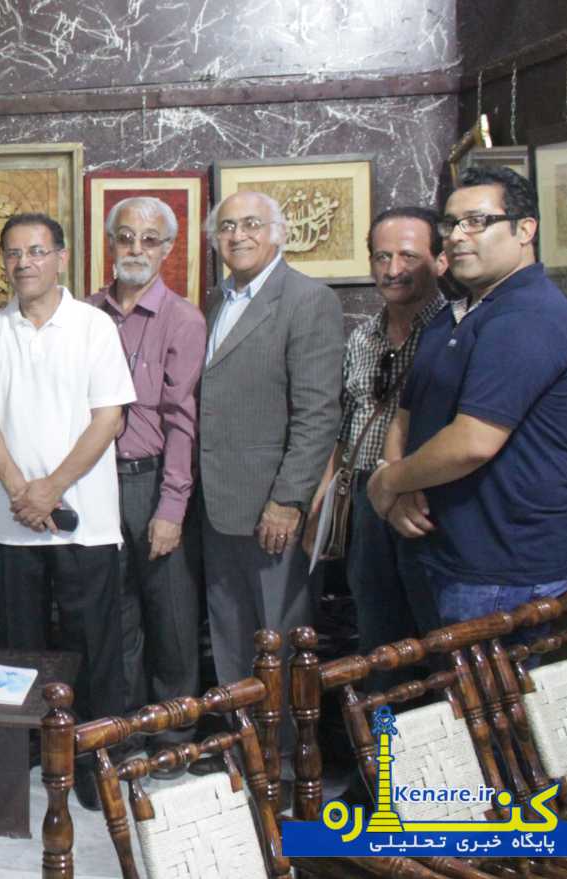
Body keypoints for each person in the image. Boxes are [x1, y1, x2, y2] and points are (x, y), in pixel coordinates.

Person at [0, 213, 134, 810]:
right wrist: (22, 491)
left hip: (85, 521)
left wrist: (51, 488)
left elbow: (108, 418)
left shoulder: (93, 326)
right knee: (20, 649)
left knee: (94, 649)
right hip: (13, 524)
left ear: (61, 257)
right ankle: (31, 752)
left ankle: (93, 760)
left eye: (36, 251)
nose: (24, 263)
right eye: (13, 253)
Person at [368, 166, 567, 629]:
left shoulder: (529, 316)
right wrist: (396, 487)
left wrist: (388, 481)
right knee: (420, 670)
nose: (457, 236)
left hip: (501, 570)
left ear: (525, 229)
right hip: (436, 549)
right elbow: (406, 412)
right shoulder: (455, 314)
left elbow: (473, 442)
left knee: (490, 684)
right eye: (451, 223)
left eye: (477, 222)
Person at [200, 191, 343, 690]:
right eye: (227, 226)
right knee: (230, 636)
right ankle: (242, 734)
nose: (238, 235)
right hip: (218, 505)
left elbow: (318, 413)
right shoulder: (216, 300)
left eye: (251, 224)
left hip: (272, 508)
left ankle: (283, 739)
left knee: (279, 641)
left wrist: (288, 500)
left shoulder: (308, 300)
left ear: (279, 233)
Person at [304, 207, 446, 670]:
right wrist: (322, 505)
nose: (392, 269)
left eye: (408, 256)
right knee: (379, 641)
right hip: (366, 501)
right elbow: (343, 427)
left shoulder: (457, 333)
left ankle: (437, 721)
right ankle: (385, 721)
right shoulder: (363, 338)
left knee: (437, 639)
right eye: (382, 257)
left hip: (430, 503)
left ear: (439, 261)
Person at [87, 198, 205, 739]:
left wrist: (172, 507)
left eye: (149, 239)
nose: (136, 248)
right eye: (126, 237)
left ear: (167, 249)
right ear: (110, 243)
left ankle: (175, 737)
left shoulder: (183, 319)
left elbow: (183, 420)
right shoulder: (85, 314)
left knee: (170, 616)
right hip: (93, 482)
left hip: (152, 481)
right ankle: (126, 733)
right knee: (115, 614)